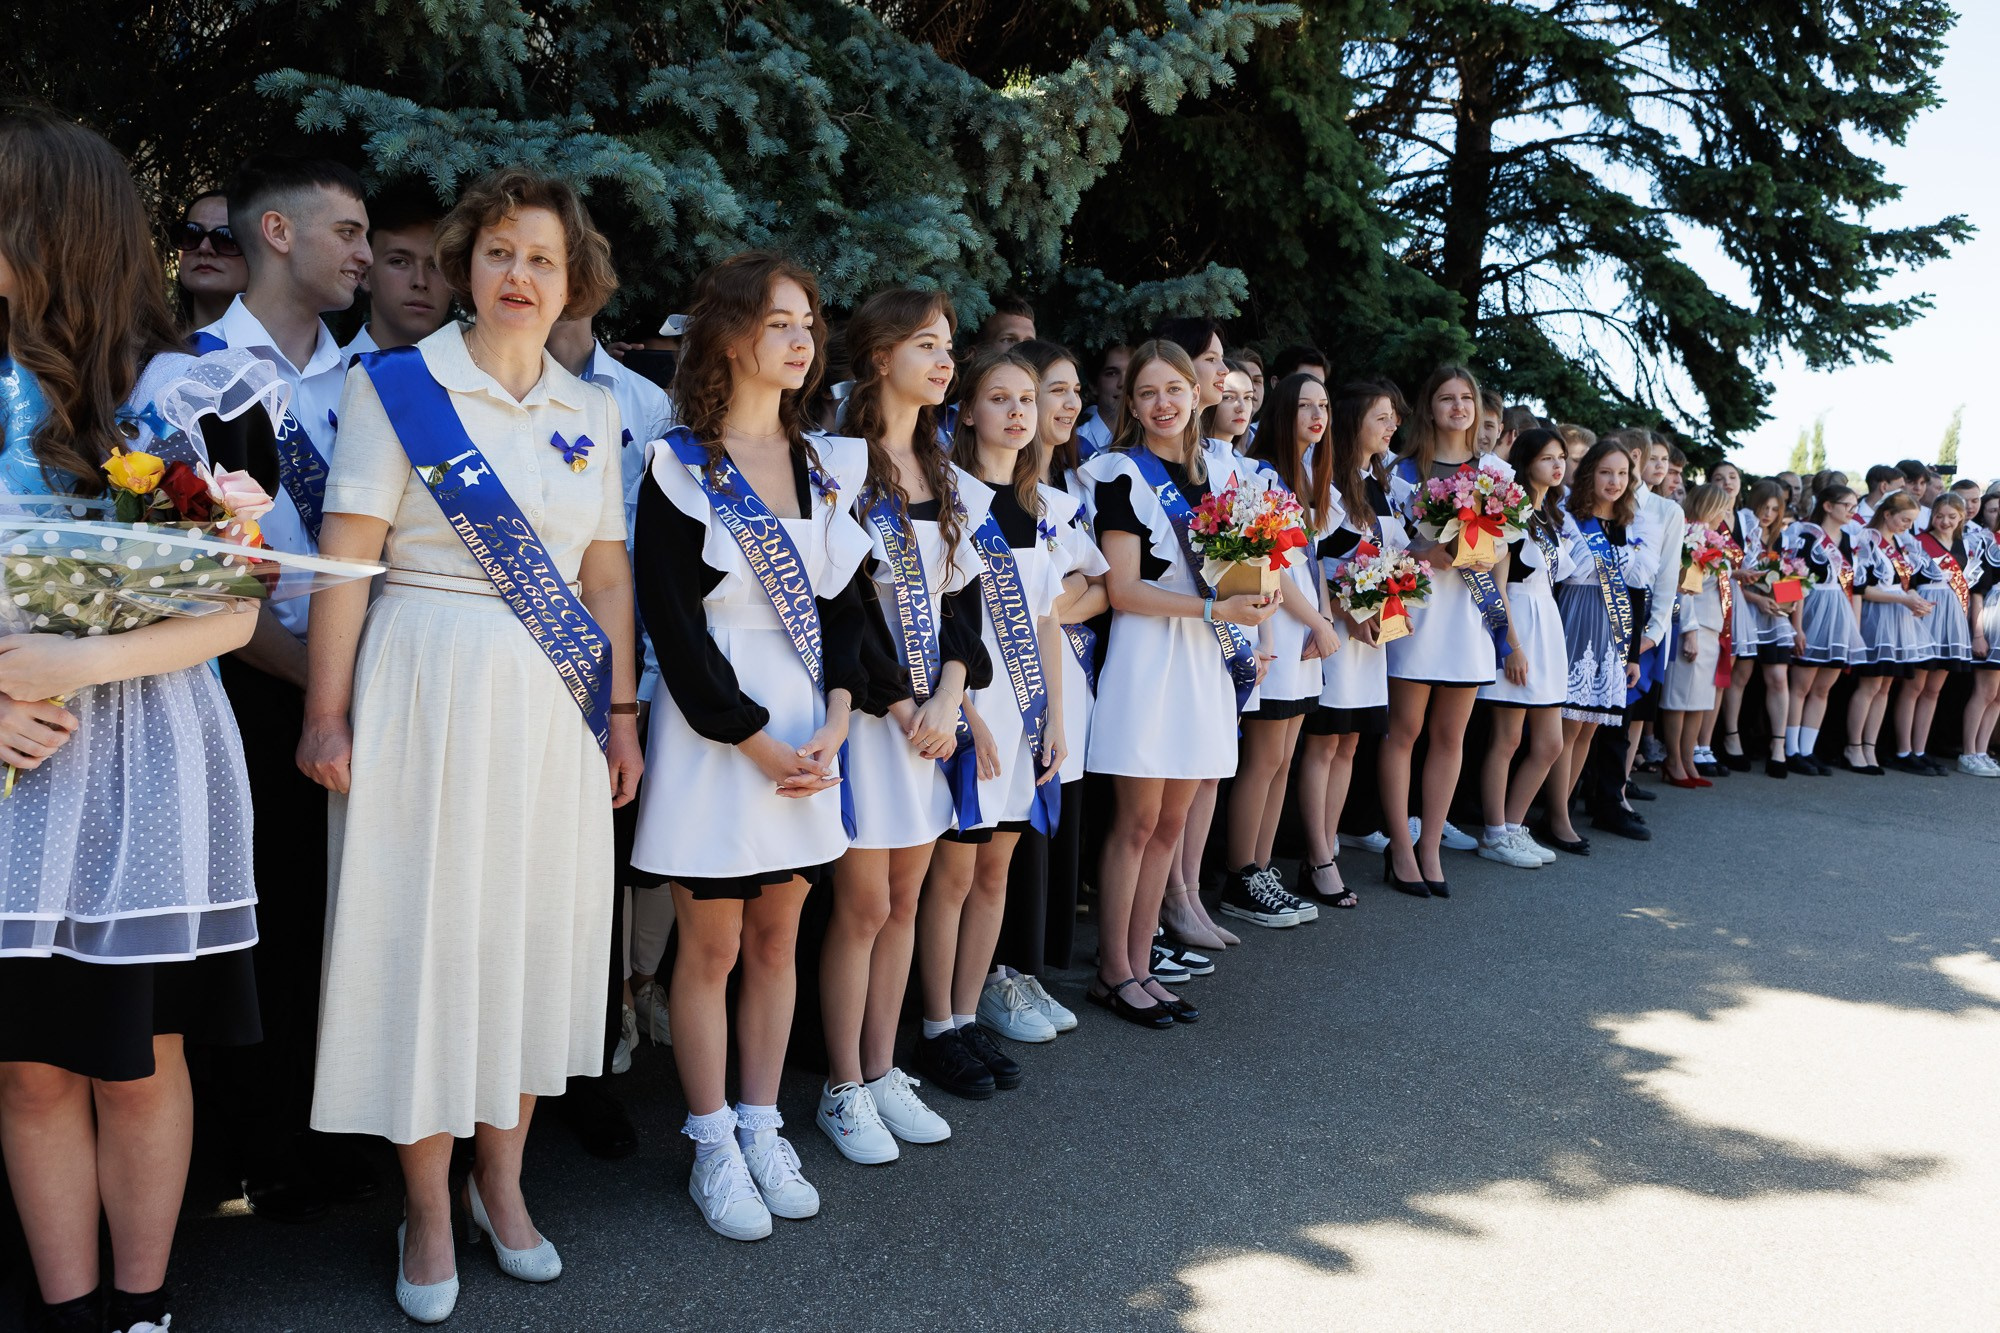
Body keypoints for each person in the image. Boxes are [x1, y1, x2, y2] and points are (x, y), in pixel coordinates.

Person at [299, 167, 641, 1321]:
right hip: (422, 689)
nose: (518, 274)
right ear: (462, 265)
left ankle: (503, 1180)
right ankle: (428, 1205)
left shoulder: (590, 409)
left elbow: (602, 575)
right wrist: (327, 713)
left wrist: (622, 714)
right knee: (426, 943)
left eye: (541, 258)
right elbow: (347, 562)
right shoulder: (397, 388)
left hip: (554, 707)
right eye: (498, 251)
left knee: (530, 939)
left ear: (570, 279)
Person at [0, 107, 267, 1333]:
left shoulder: (161, 397)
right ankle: (65, 1309)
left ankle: (143, 1307)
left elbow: (234, 612)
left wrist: (71, 654)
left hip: (141, 765)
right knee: (26, 1062)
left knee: (136, 1053)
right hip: (13, 763)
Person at [627, 251, 870, 1242]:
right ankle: (712, 1140)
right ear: (727, 335)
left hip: (810, 731)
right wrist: (756, 743)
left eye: (808, 322)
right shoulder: (675, 466)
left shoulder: (821, 465)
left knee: (780, 937)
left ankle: (764, 1121)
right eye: (778, 321)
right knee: (713, 942)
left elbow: (847, 609)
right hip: (715, 733)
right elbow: (675, 632)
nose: (800, 338)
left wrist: (842, 717)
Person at [194, 153, 371, 1224]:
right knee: (269, 918)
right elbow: (219, 573)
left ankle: (330, 1136)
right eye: (346, 232)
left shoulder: (369, 381)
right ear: (276, 231)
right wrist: (325, 689)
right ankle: (250, 1150)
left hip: (353, 691)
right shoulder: (198, 377)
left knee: (344, 918)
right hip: (261, 692)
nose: (363, 254)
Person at [823, 288, 988, 1148]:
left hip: (933, 724)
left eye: (949, 345)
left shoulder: (950, 476)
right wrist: (900, 704)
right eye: (926, 342)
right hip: (871, 719)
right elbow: (839, 610)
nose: (944, 358)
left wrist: (950, 694)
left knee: (903, 901)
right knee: (859, 907)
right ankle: (842, 1083)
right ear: (880, 355)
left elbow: (967, 610)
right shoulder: (834, 466)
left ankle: (884, 1069)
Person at [1081, 339, 1275, 1025]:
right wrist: (1214, 608)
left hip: (1205, 660)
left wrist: (1258, 604)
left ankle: (1143, 962)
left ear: (1197, 394)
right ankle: (1113, 970)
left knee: (1170, 822)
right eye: (1147, 392)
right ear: (1131, 404)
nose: (1163, 403)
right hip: (1149, 656)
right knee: (1136, 823)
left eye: (1175, 389)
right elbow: (1125, 589)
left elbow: (1248, 568)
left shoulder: (1221, 475)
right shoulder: (1117, 474)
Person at [915, 347, 1069, 1087]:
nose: (1015, 412)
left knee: (994, 870)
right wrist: (967, 709)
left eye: (1027, 400)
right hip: (967, 706)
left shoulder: (1042, 505)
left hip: (1026, 709)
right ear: (967, 410)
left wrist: (1057, 718)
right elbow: (944, 615)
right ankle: (937, 1023)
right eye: (999, 398)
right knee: (952, 872)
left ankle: (970, 1015)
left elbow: (1047, 622)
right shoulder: (949, 494)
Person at [1005, 339, 1116, 973]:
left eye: (1076, 389)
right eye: (1057, 389)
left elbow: (1105, 589)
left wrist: (1054, 603)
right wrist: (1060, 597)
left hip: (1068, 675)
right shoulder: (1002, 485)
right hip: (1022, 680)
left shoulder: (1071, 480)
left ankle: (1038, 970)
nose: (1071, 402)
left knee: (1057, 833)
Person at [1380, 364, 1510, 895]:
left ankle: (1430, 843)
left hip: (1468, 616)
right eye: (1446, 398)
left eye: (1466, 398)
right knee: (1404, 733)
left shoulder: (1496, 474)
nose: (1458, 407)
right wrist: (1424, 551)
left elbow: (1504, 550)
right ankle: (1400, 845)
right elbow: (1386, 543)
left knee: (1450, 736)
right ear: (1429, 407)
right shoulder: (1400, 470)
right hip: (1417, 610)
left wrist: (1501, 615)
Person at [1223, 372, 1341, 913]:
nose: (1316, 416)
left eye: (1323, 405)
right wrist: (1317, 622)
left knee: (1285, 757)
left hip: (1304, 627)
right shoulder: (1263, 472)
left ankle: (1263, 869)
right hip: (1280, 621)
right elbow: (1274, 568)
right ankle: (1241, 873)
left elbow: (1309, 559)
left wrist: (1321, 618)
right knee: (1265, 755)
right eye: (1304, 406)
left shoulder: (1308, 474)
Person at [1296, 383, 1404, 907]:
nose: (1390, 426)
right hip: (1332, 627)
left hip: (1370, 633)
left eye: (1393, 419)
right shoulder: (1326, 477)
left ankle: (1329, 845)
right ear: (1353, 420)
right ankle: (1315, 856)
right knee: (1323, 741)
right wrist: (1346, 609)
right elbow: (1315, 557)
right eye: (1381, 417)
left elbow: (1386, 556)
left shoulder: (1378, 481)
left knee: (1350, 743)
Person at [1475, 428, 1573, 867]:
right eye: (1548, 458)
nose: (1557, 466)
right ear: (1526, 461)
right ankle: (1495, 832)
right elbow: (1496, 585)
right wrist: (1510, 645)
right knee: (1508, 737)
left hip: (1546, 624)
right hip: (1517, 623)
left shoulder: (1549, 514)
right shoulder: (1509, 513)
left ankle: (1513, 827)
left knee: (1550, 742)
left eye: (1562, 458)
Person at [1545, 439, 1643, 853]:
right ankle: (1556, 816)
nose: (1615, 481)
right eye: (1606, 472)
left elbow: (1636, 593)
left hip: (1612, 632)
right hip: (1576, 618)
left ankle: (1563, 806)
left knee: (1589, 727)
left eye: (1622, 474)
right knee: (1567, 726)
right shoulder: (1569, 518)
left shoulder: (1628, 523)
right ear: (1589, 474)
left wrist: (1633, 653)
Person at [1716, 480, 1798, 777]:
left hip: (1773, 614)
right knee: (1741, 674)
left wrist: (1785, 607)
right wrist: (1757, 600)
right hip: (1745, 609)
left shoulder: (1784, 540)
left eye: (1775, 509)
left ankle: (1778, 746)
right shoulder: (1745, 531)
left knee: (1778, 677)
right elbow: (1732, 577)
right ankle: (1731, 737)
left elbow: (1792, 581)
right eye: (1764, 506)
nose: (1768, 513)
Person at [1781, 485, 1864, 774]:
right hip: (1810, 611)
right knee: (1801, 686)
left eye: (1855, 506)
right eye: (1847, 505)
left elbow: (1852, 587)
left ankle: (1807, 749)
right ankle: (1789, 749)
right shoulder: (1807, 537)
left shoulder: (1848, 540)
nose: (1852, 511)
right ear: (1828, 506)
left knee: (1823, 688)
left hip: (1838, 614)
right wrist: (1796, 627)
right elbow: (1791, 580)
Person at [1889, 492, 1974, 774]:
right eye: (1939, 515)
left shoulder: (1964, 545)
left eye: (1952, 516)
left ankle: (1920, 749)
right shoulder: (1918, 544)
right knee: (1914, 687)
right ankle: (1903, 750)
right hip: (1925, 614)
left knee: (1933, 690)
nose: (1945, 521)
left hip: (1950, 620)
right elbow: (1907, 581)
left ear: (1961, 516)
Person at [1846, 493, 1929, 773]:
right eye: (1904, 519)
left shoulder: (1901, 543)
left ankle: (1870, 746)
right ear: (1888, 514)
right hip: (1877, 617)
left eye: (1911, 521)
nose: (1908, 525)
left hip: (1898, 618)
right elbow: (1863, 588)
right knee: (1869, 685)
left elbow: (1908, 582)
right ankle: (1853, 746)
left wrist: (1915, 600)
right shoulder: (1867, 540)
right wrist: (1903, 600)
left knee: (1885, 686)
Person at [1661, 485, 1734, 787]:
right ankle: (1673, 759)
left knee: (1700, 701)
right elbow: (1684, 591)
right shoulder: (1690, 535)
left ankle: (1688, 758)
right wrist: (1689, 631)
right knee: (1680, 699)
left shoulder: (1714, 538)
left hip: (1711, 627)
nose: (1725, 515)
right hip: (1692, 626)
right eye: (1723, 509)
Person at [339, 189, 448, 359]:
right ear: (365, 275)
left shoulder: (477, 383)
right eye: (399, 262)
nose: (420, 281)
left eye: (435, 266)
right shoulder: (324, 381)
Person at [171, 189, 248, 331]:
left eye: (226, 238)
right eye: (192, 234)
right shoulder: (144, 349)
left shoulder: (283, 350)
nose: (204, 248)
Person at [1962, 523, 2000, 775]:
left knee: (1998, 696)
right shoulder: (1989, 543)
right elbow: (1977, 592)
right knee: (1985, 691)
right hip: (1994, 620)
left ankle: (1982, 751)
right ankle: (1968, 753)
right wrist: (1978, 634)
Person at [1074, 341, 1129, 456]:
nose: (1123, 383)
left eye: (1131, 372)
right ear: (1093, 385)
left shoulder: (1153, 440)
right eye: (1112, 373)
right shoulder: (1074, 446)